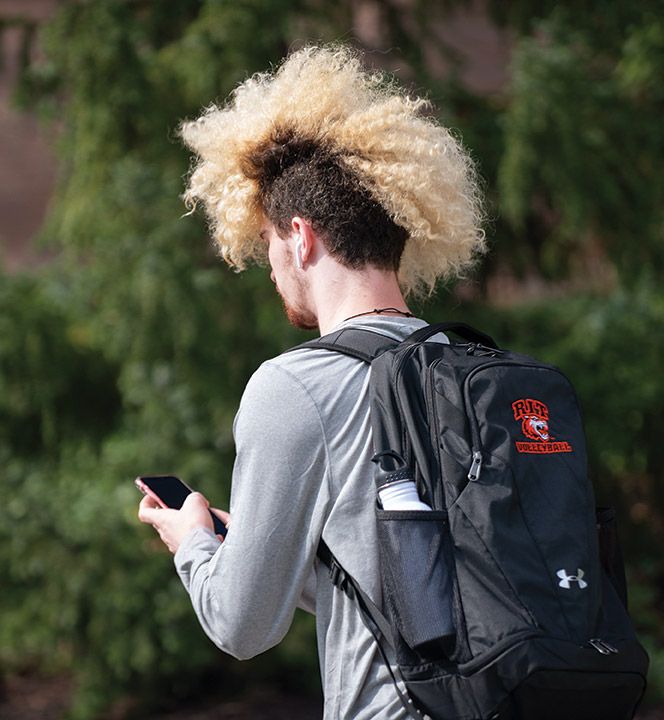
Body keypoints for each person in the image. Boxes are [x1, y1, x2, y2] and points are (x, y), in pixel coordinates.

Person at [137, 44, 486, 719]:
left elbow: (241, 626)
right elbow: (419, 590)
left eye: (266, 239)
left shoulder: (294, 385)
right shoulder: (468, 365)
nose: (267, 265)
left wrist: (196, 546)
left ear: (300, 237)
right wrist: (264, 549)